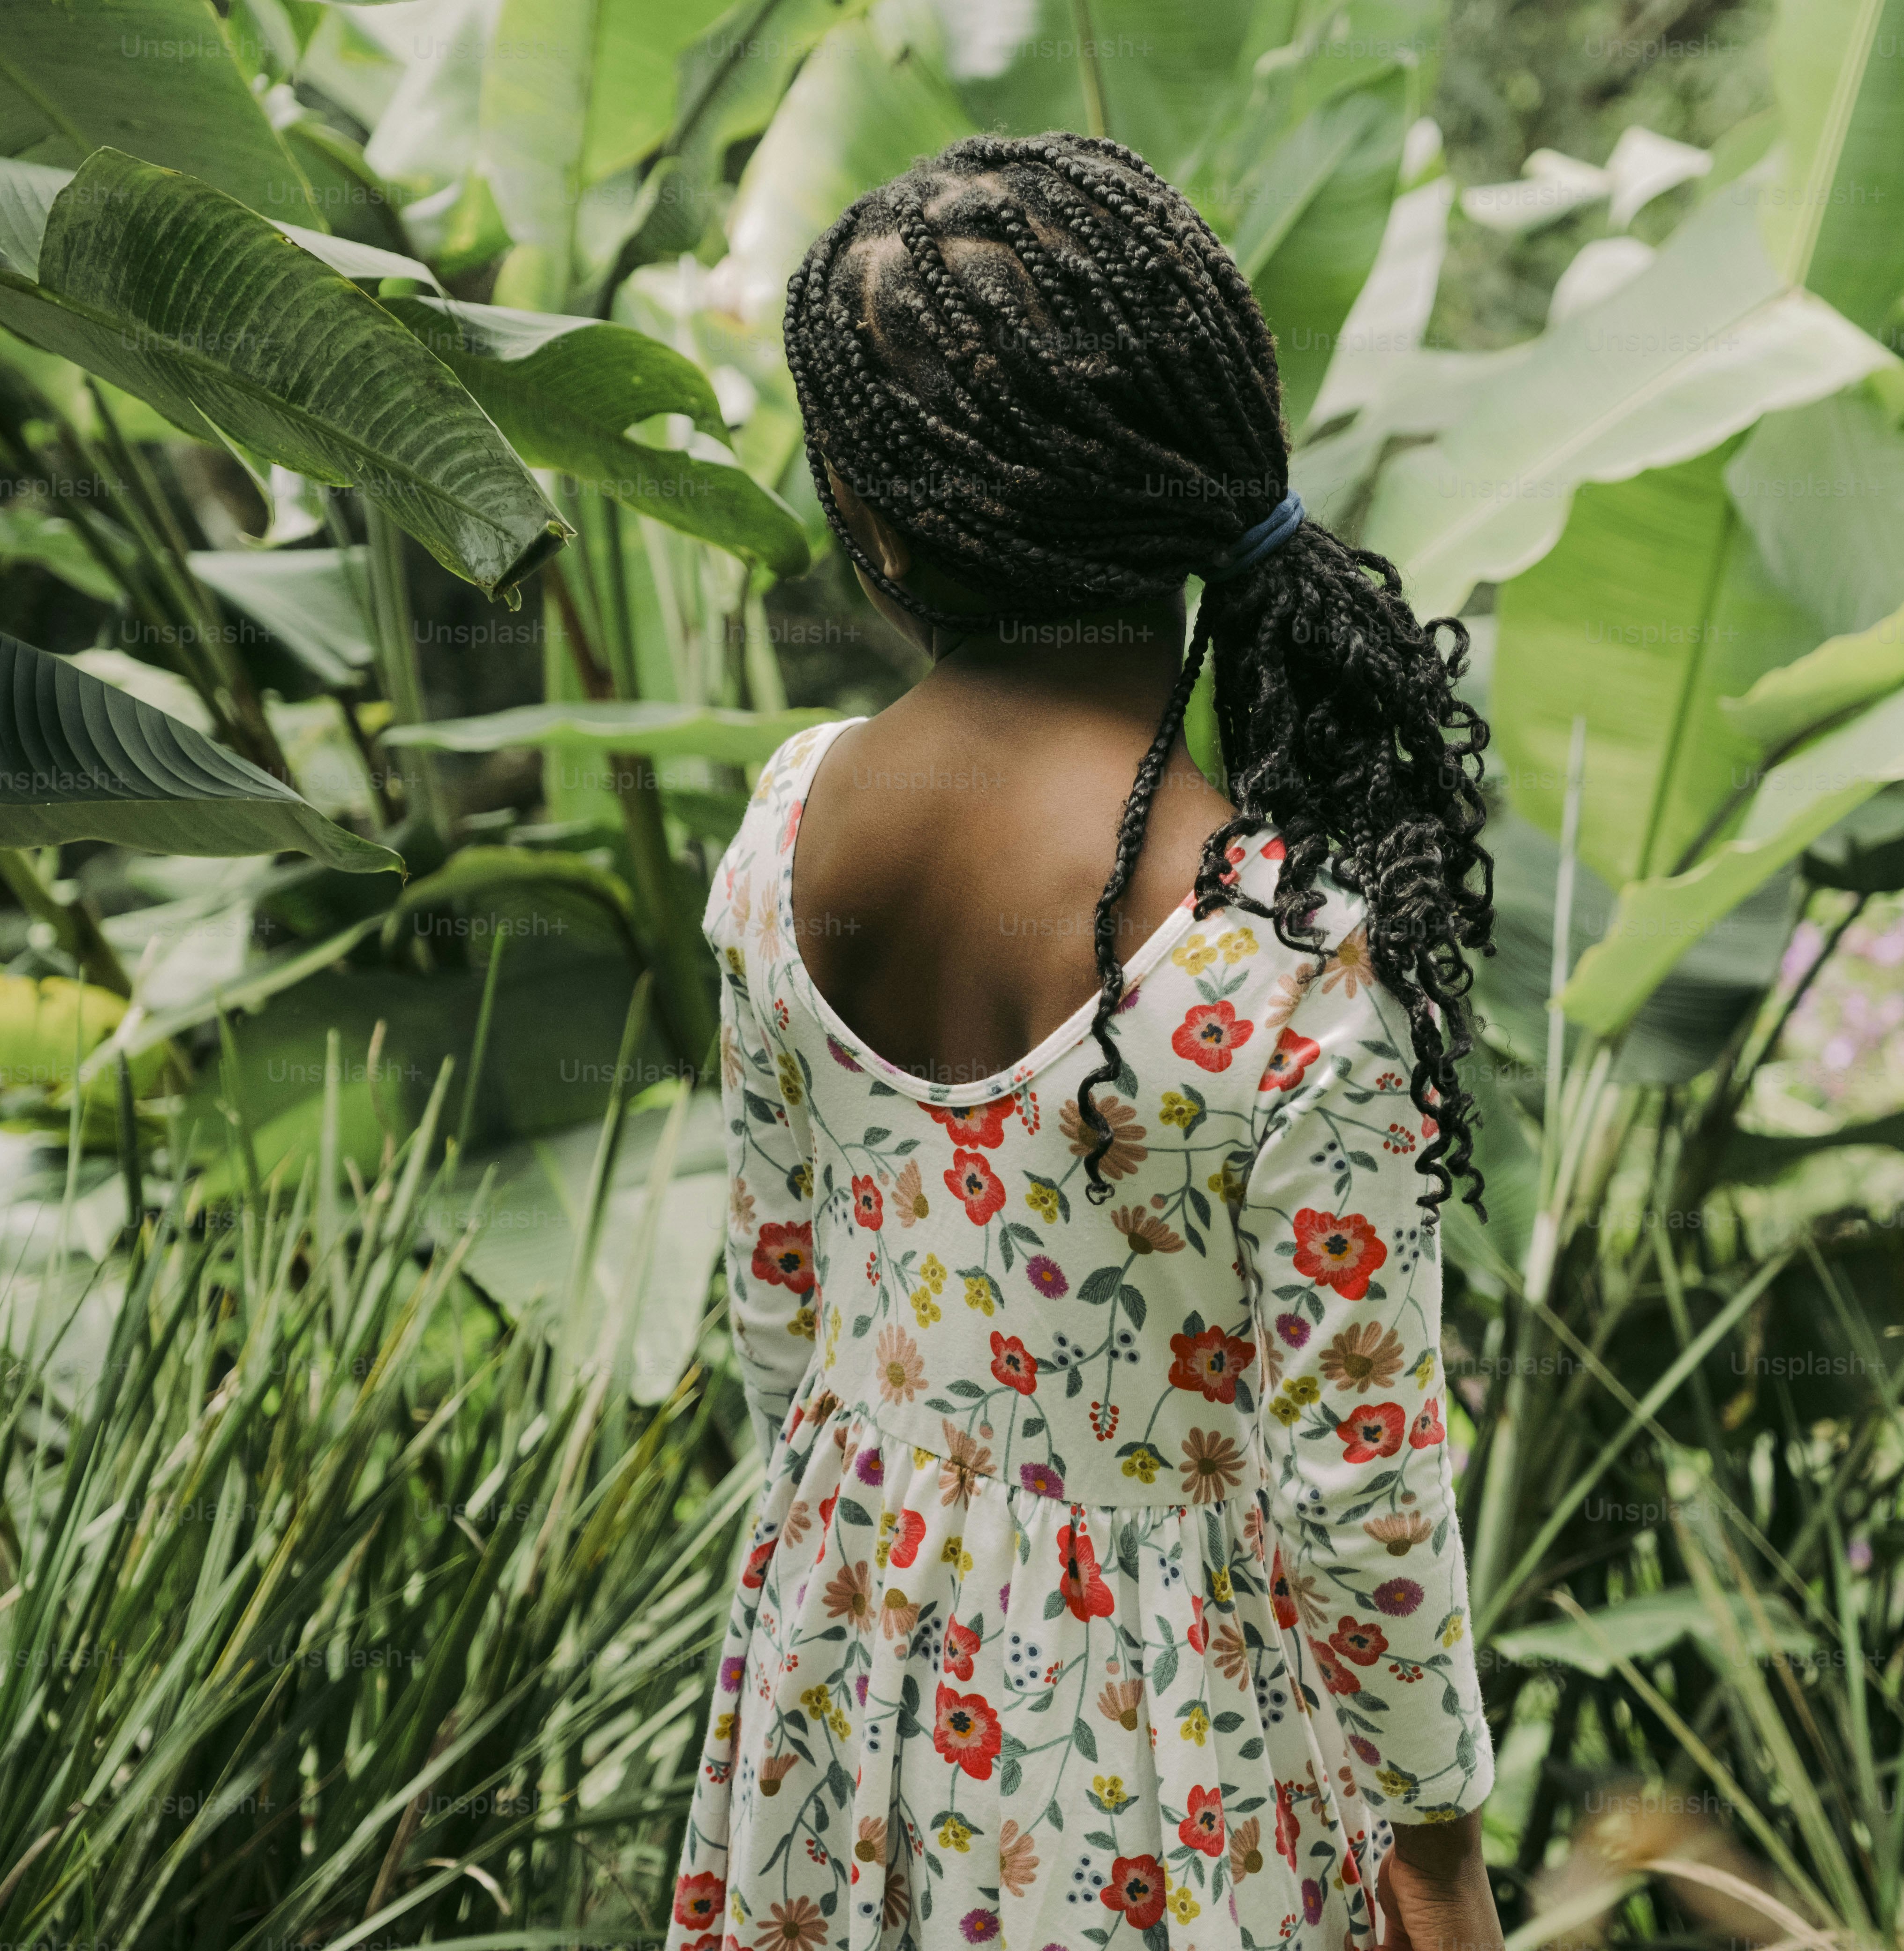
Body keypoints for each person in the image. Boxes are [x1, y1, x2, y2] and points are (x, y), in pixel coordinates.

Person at [666, 131, 1502, 1951]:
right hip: (1169, 1745)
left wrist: (865, 1558)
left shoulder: (788, 826)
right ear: (1185, 482)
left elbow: (781, 1304)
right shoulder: (1285, 957)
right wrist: (1436, 1858)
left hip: (849, 1655)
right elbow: (1359, 1477)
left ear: (875, 518)